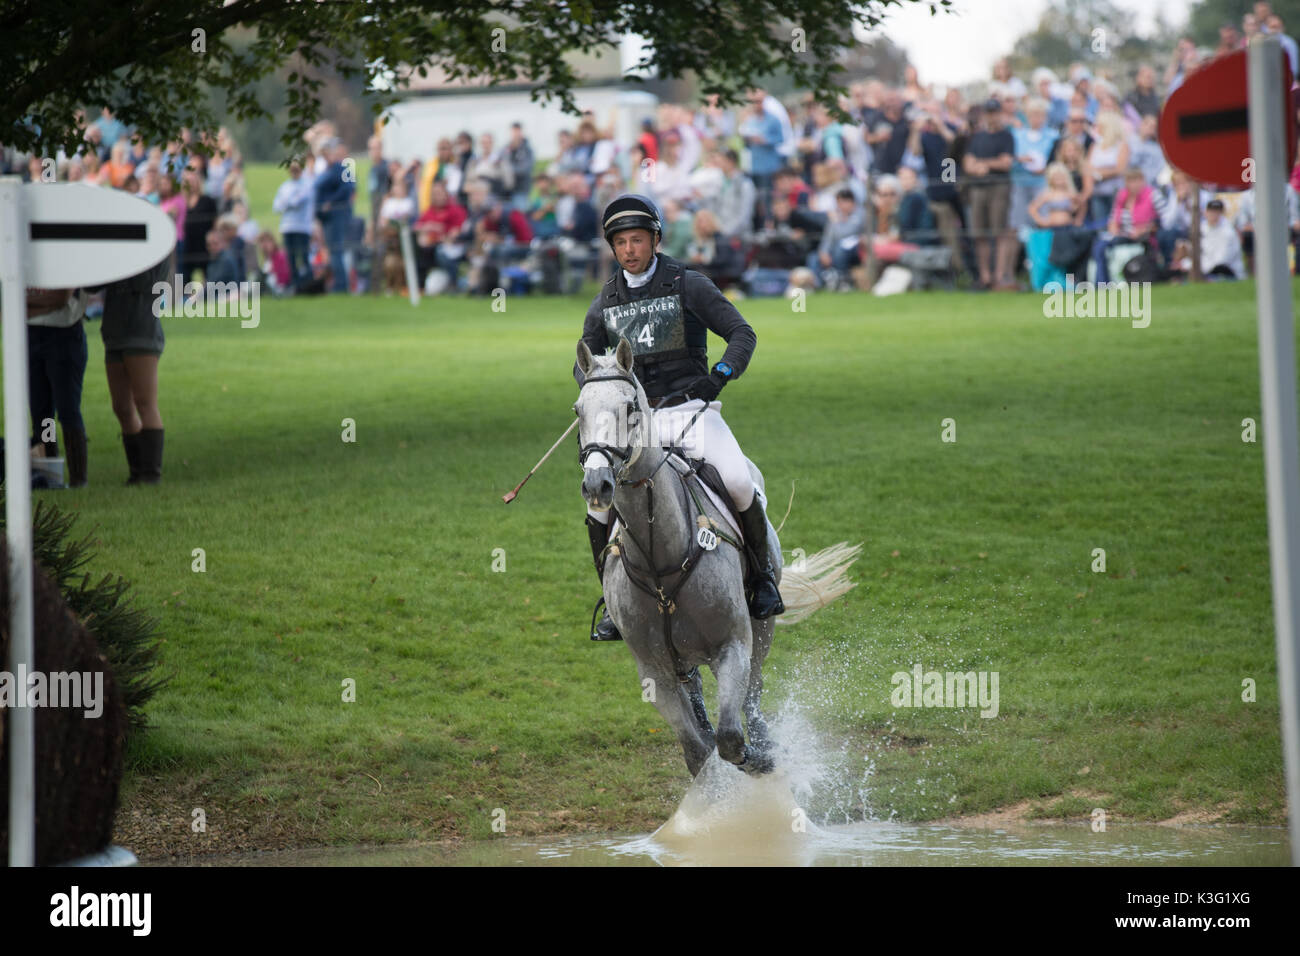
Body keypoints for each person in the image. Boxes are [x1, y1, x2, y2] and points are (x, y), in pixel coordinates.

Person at [575, 194, 783, 642]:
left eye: (637, 240)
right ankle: (612, 603)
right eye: (621, 243)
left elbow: (741, 333)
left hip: (693, 409)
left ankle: (762, 580)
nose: (629, 250)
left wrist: (721, 374)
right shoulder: (605, 301)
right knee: (598, 506)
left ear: (655, 240)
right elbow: (584, 362)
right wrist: (598, 389)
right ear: (612, 248)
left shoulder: (689, 284)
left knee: (739, 481)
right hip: (639, 425)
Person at [98, 260, 168, 484]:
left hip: (141, 329)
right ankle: (136, 472)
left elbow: (145, 281)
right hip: (114, 331)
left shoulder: (155, 243)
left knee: (145, 402)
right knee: (121, 407)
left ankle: (150, 474)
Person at [26, 287, 90, 487]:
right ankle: (50, 475)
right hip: (31, 333)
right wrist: (44, 302)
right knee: (42, 414)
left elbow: (62, 297)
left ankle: (78, 479)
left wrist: (26, 306)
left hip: (64, 333)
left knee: (68, 410)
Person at [314, 139, 356, 293]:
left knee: (336, 250)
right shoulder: (327, 169)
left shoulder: (343, 167)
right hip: (327, 217)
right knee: (332, 251)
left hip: (336, 215)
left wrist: (330, 202)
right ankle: (338, 283)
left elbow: (348, 188)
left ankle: (341, 285)